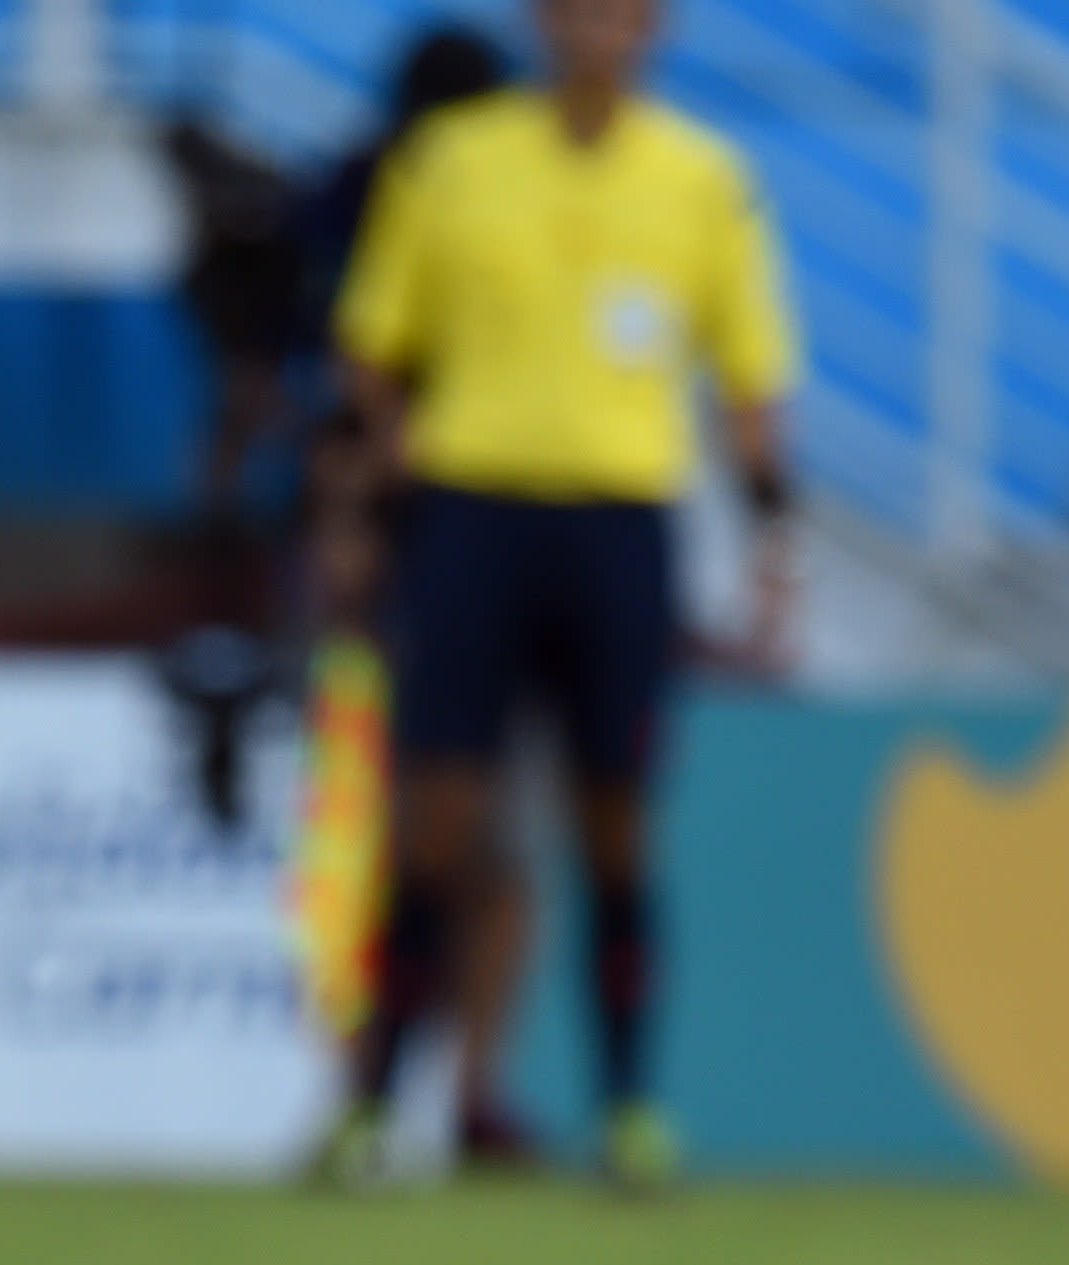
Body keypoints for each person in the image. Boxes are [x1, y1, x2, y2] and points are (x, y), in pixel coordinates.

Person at [331, 0, 800, 1188]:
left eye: (629, 9)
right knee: (434, 823)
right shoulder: (453, 162)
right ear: (543, 21)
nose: (605, 25)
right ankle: (375, 1109)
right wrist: (370, 508)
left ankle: (631, 1108)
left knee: (617, 826)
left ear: (659, 27)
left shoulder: (702, 178)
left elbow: (749, 380)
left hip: (620, 530)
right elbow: (374, 351)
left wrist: (773, 542)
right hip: (474, 517)